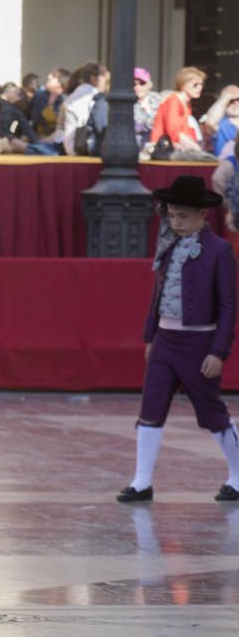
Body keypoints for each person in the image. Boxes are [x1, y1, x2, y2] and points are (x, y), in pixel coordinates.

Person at [117, 176, 239, 504]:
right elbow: (157, 295)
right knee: (150, 409)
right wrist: (149, 336)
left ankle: (238, 475)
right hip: (165, 343)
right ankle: (142, 481)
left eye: (183, 215)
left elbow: (228, 305)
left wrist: (219, 351)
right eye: (172, 215)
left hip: (199, 344)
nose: (176, 222)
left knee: (212, 413)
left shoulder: (220, 250)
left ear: (203, 215)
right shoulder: (168, 247)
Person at [150, 66, 207, 153]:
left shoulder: (185, 104)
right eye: (195, 84)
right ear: (183, 85)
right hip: (163, 149)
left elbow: (183, 131)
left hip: (175, 147)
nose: (200, 88)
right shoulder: (173, 101)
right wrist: (195, 148)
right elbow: (173, 130)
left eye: (201, 84)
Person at [61, 61, 109, 157]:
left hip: (70, 148)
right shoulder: (96, 98)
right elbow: (100, 126)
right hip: (88, 149)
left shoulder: (71, 97)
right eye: (104, 78)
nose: (106, 82)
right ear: (94, 78)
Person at [29, 67, 70, 138]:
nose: (49, 76)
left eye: (53, 76)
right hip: (36, 139)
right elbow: (29, 118)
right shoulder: (39, 95)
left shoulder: (67, 100)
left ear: (61, 82)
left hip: (58, 141)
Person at [202, 85, 239, 157]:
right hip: (225, 165)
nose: (236, 103)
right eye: (231, 101)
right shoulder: (222, 125)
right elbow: (210, 122)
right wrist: (226, 97)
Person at [132, 67, 162, 149]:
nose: (138, 87)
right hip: (137, 146)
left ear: (148, 85)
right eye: (133, 84)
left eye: (142, 83)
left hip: (157, 144)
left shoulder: (156, 98)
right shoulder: (128, 103)